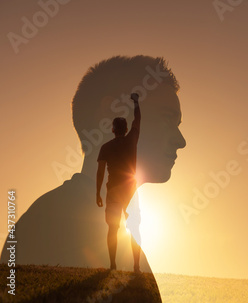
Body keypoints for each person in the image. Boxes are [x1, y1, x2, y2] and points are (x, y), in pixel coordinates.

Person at [0, 55, 186, 302]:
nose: (181, 141)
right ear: (115, 112)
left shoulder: (122, 242)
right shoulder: (51, 223)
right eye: (167, 117)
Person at [96, 92, 142, 272]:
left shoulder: (106, 147)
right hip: (131, 190)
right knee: (134, 228)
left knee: (113, 228)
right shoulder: (132, 140)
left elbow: (100, 172)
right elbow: (137, 120)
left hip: (114, 191)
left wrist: (97, 193)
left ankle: (113, 265)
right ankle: (136, 267)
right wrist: (136, 102)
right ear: (125, 129)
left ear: (113, 129)